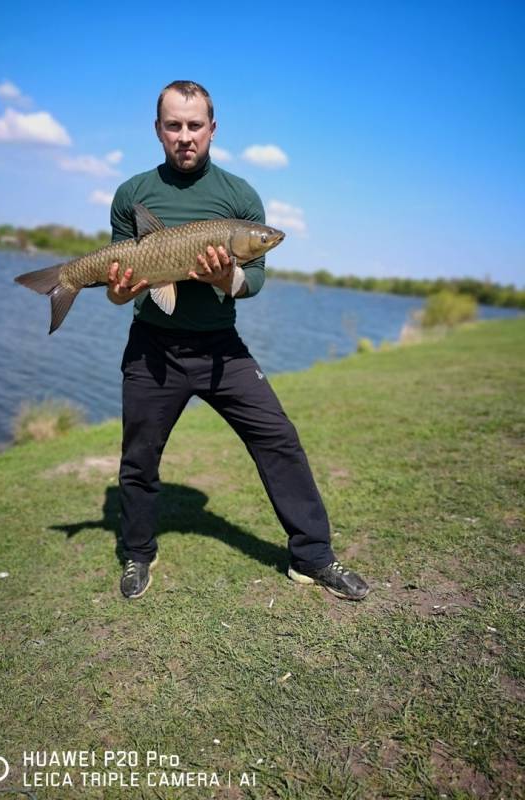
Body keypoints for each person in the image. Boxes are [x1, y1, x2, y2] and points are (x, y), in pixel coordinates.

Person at [106, 80, 369, 602]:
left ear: (212, 129)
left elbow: (257, 279)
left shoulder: (239, 196)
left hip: (220, 348)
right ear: (158, 130)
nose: (185, 136)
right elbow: (119, 291)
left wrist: (223, 278)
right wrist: (118, 290)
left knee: (279, 438)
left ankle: (313, 557)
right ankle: (138, 553)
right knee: (138, 458)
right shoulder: (132, 195)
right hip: (152, 348)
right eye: (174, 125)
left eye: (195, 125)